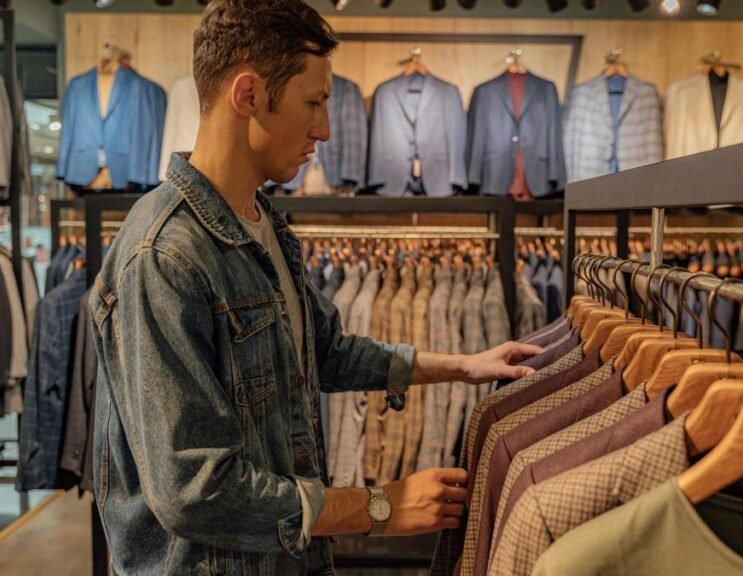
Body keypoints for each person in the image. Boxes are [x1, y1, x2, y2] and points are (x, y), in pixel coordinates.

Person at [88, 1, 542, 574]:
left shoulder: (262, 222)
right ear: (249, 96)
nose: (325, 129)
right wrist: (378, 507)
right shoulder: (163, 257)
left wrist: (462, 365)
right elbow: (194, 490)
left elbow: (321, 352)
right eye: (314, 102)